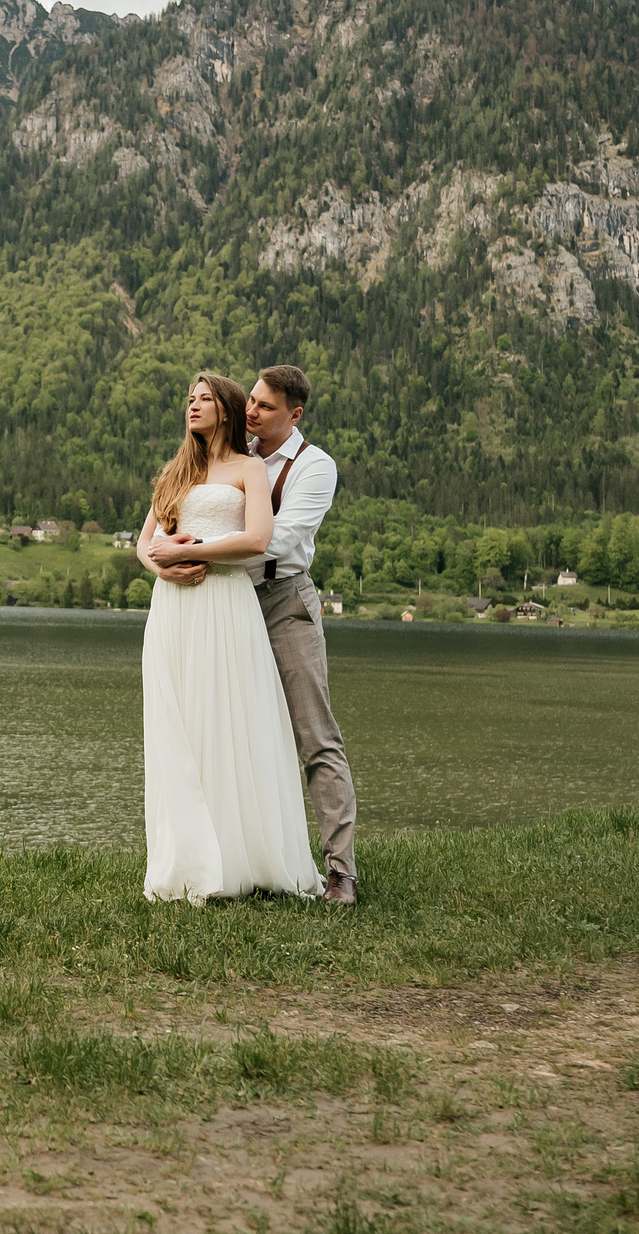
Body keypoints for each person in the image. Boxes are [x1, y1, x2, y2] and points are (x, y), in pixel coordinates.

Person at [133, 373, 325, 904]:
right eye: (189, 399)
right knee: (180, 727)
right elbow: (144, 543)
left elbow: (260, 540)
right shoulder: (176, 471)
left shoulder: (249, 471)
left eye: (205, 399)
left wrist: (194, 551)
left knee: (228, 723)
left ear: (229, 408)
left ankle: (242, 860)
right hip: (173, 609)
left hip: (225, 604)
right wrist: (164, 567)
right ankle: (187, 861)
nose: (193, 406)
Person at [244, 364, 359, 904]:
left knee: (316, 738)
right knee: (240, 736)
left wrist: (206, 548)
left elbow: (283, 540)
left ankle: (340, 871)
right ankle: (253, 863)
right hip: (232, 604)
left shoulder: (315, 467)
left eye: (265, 406)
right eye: (250, 400)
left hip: (287, 602)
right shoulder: (232, 457)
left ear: (295, 413)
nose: (251, 411)